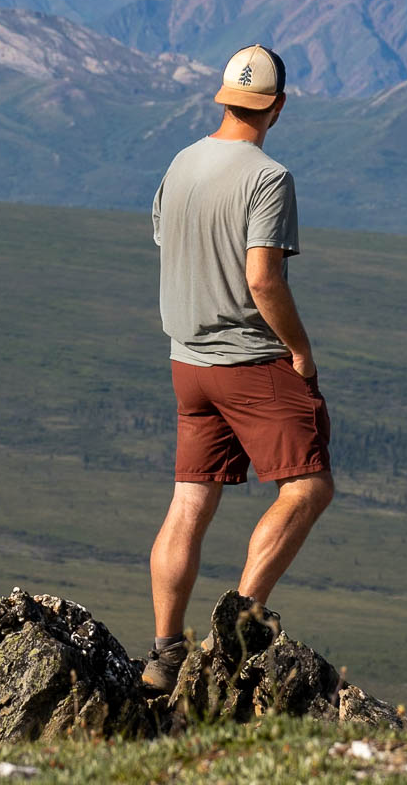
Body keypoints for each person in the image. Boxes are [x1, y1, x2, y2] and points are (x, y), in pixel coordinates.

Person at [140, 43, 334, 692]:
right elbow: (263, 279)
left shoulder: (181, 163)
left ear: (222, 98)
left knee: (190, 501)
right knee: (308, 487)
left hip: (186, 363)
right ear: (277, 106)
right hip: (248, 360)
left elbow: (169, 244)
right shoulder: (268, 177)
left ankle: (165, 655)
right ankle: (238, 630)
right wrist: (301, 353)